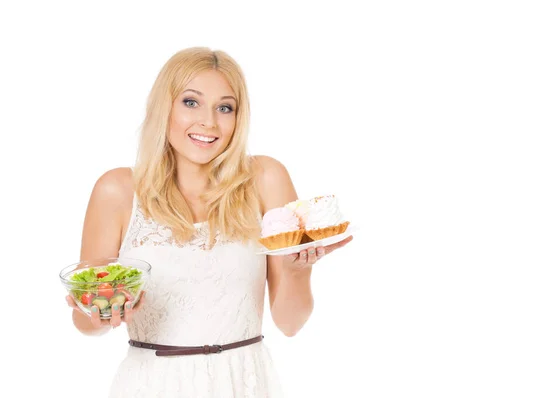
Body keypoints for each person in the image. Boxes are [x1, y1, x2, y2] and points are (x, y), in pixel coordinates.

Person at [64, 46, 353, 397]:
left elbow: (291, 324)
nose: (209, 122)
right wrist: (104, 314)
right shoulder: (117, 190)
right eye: (190, 102)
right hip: (152, 385)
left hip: (244, 382)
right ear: (164, 106)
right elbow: (85, 321)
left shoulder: (266, 178)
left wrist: (297, 269)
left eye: (225, 108)